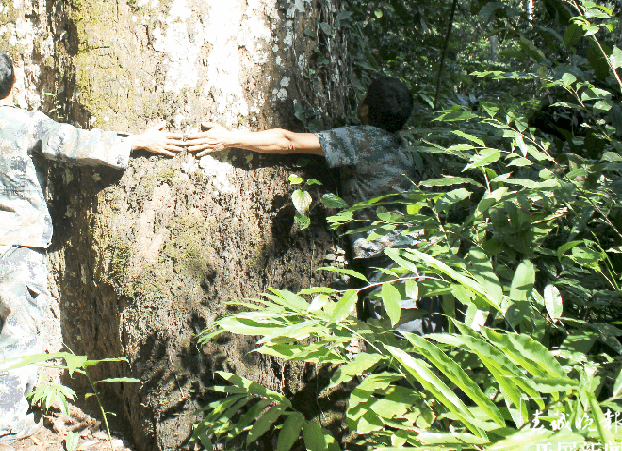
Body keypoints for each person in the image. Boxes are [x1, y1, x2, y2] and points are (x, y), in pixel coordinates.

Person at [0, 48, 183, 451]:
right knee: (17, 336)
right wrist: (138, 142)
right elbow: (78, 143)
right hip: (19, 250)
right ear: (14, 81)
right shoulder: (28, 125)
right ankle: (7, 427)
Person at [185, 76, 440, 334]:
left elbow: (288, 141)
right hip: (419, 255)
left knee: (402, 342)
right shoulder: (404, 149)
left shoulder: (362, 140)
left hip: (391, 258)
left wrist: (228, 139)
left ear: (366, 108)